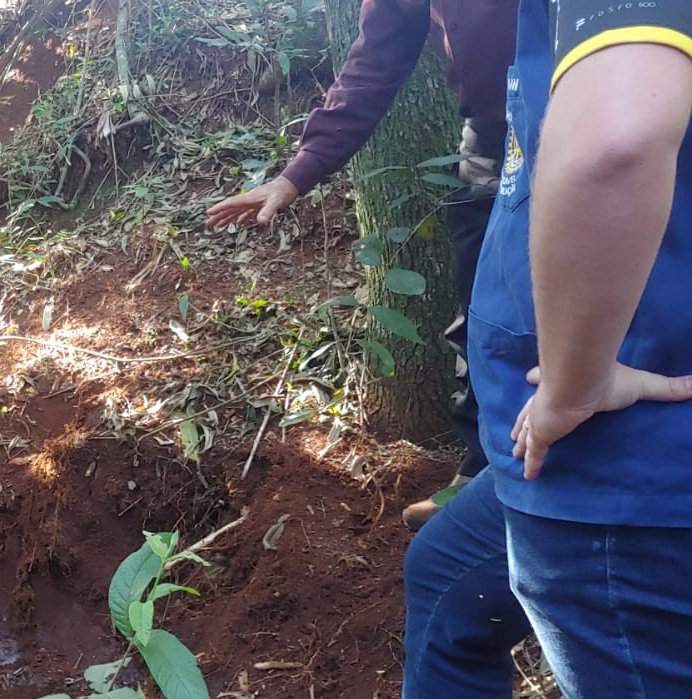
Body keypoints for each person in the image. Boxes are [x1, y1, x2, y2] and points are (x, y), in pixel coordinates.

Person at [206, 0, 518, 530]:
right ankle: (482, 476)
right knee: (483, 317)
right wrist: (296, 174)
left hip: (595, 120)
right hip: (491, 142)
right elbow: (376, 57)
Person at [467, 0, 692, 694]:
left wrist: (571, 387)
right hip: (598, 448)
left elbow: (612, 141)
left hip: (617, 468)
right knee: (443, 575)